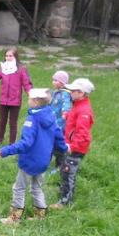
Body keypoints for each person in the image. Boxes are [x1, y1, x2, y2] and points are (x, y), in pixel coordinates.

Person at [0, 88, 68, 224]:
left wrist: (4, 151)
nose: (27, 100)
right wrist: (64, 149)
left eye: (29, 98)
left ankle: (14, 218)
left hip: (29, 161)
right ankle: (40, 216)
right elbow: (59, 136)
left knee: (19, 188)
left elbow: (25, 143)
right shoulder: (51, 115)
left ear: (35, 102)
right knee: (37, 187)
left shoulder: (32, 119)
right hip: (44, 160)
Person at [51, 78, 95, 210]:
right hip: (69, 144)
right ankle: (63, 192)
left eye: (72, 91)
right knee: (65, 171)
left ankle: (65, 202)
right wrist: (68, 115)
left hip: (75, 148)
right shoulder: (78, 105)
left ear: (81, 93)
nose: (69, 92)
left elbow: (82, 134)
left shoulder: (84, 111)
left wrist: (72, 147)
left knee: (68, 173)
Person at [49, 70, 72, 172]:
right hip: (52, 122)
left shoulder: (65, 94)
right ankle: (46, 160)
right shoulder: (56, 92)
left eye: (55, 80)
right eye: (53, 80)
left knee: (58, 143)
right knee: (49, 142)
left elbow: (66, 104)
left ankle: (60, 164)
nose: (53, 82)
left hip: (60, 124)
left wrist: (65, 113)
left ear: (62, 83)